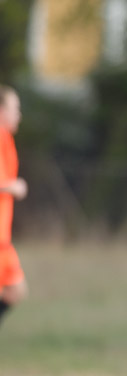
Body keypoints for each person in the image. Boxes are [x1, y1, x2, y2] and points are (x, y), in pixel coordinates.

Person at [0, 84, 28, 328]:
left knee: (16, 291)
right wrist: (12, 187)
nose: (18, 114)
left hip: (4, 242)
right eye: (14, 108)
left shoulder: (6, 140)